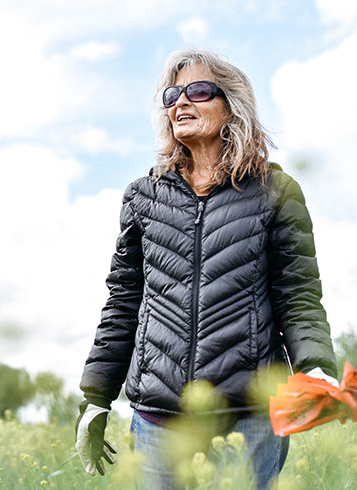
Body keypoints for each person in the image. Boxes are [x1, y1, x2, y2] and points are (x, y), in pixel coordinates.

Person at [75, 48, 338, 489]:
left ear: (231, 103)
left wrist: (315, 366)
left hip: (249, 418)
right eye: (172, 95)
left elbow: (297, 295)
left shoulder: (275, 192)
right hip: (159, 421)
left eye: (197, 91)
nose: (180, 102)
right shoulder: (144, 197)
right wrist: (96, 398)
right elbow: (123, 303)